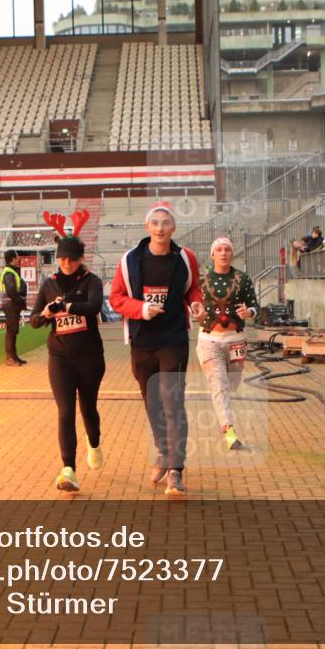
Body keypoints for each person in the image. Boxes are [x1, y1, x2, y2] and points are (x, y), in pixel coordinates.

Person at [109, 200, 203, 496]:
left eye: (166, 222)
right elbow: (115, 298)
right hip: (142, 340)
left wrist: (197, 304)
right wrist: (141, 309)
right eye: (155, 222)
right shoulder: (129, 260)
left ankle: (176, 469)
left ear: (173, 227)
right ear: (147, 227)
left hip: (173, 338)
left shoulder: (186, 258)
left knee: (172, 402)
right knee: (152, 402)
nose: (160, 227)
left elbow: (193, 287)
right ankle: (163, 451)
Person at [30, 233, 105, 493]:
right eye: (62, 258)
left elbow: (94, 306)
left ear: (80, 259)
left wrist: (68, 307)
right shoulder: (49, 284)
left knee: (88, 408)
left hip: (90, 356)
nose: (66, 263)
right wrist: (46, 312)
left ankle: (94, 443)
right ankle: (68, 469)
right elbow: (34, 320)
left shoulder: (91, 281)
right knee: (65, 412)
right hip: (59, 357)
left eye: (72, 259)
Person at [192, 237, 258, 450]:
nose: (223, 253)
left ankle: (225, 413)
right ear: (212, 254)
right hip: (209, 339)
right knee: (218, 384)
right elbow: (192, 304)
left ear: (232, 253)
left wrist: (249, 312)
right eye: (218, 250)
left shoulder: (243, 279)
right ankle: (229, 431)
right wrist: (196, 313)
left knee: (231, 385)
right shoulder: (201, 281)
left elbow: (254, 305)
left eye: (227, 250)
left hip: (236, 340)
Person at [0, 250, 28, 366]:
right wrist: (20, 301)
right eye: (17, 257)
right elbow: (11, 291)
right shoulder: (9, 272)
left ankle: (14, 356)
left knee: (13, 330)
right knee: (12, 330)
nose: (19, 258)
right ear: (12, 259)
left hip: (11, 304)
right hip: (10, 304)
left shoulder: (11, 271)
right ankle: (10, 357)